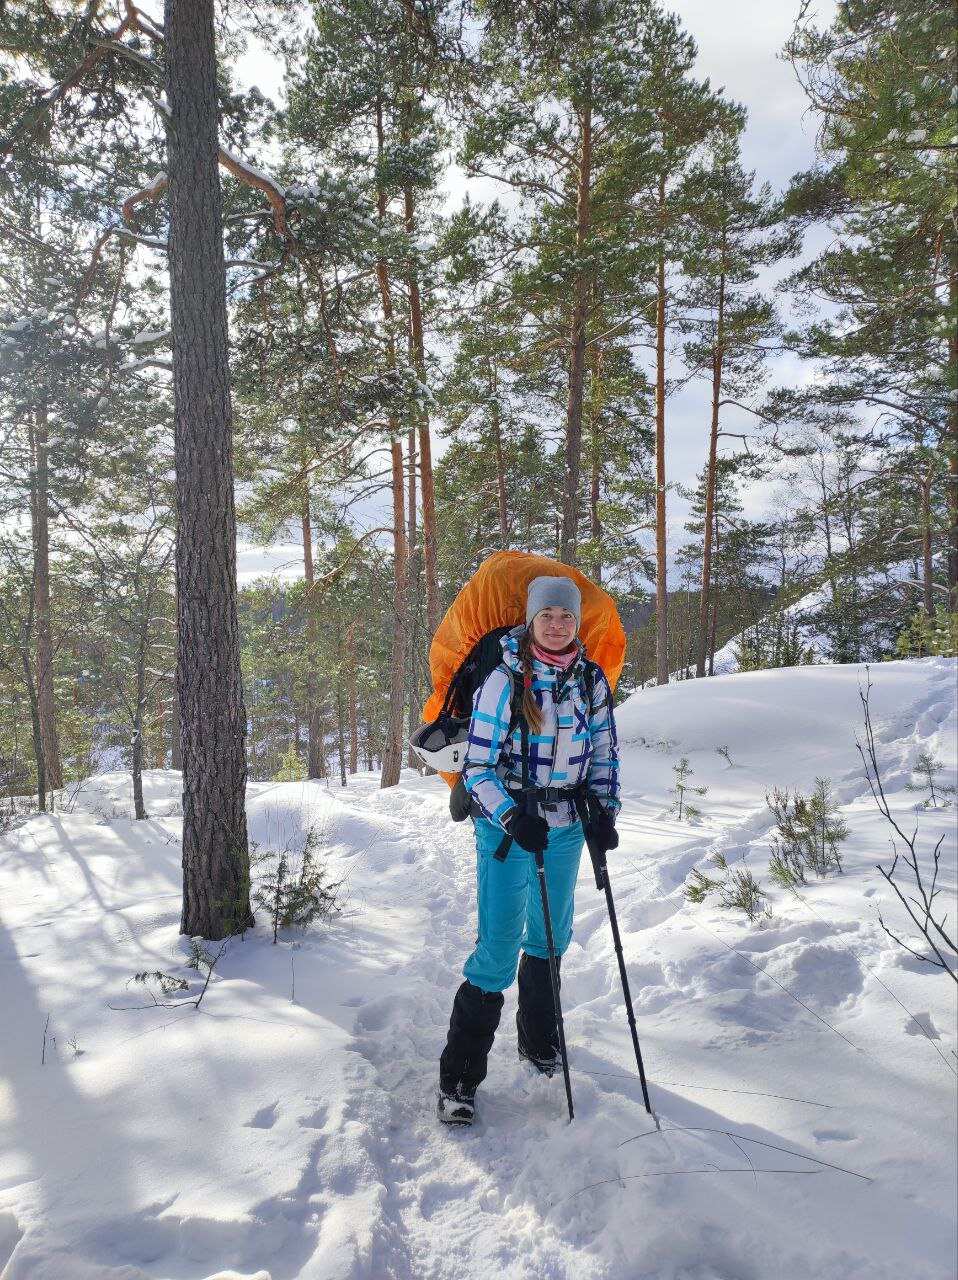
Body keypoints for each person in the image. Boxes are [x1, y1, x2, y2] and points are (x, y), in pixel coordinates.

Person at [437, 574, 621, 1125]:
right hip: (507, 827)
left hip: (564, 826)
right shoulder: (504, 681)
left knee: (549, 937)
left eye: (567, 616)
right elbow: (477, 767)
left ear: (575, 621)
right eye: (548, 616)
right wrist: (512, 815)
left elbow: (605, 755)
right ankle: (459, 1081)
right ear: (532, 620)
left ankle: (540, 1044)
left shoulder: (590, 681)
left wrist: (603, 811)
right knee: (496, 948)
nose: (558, 625)